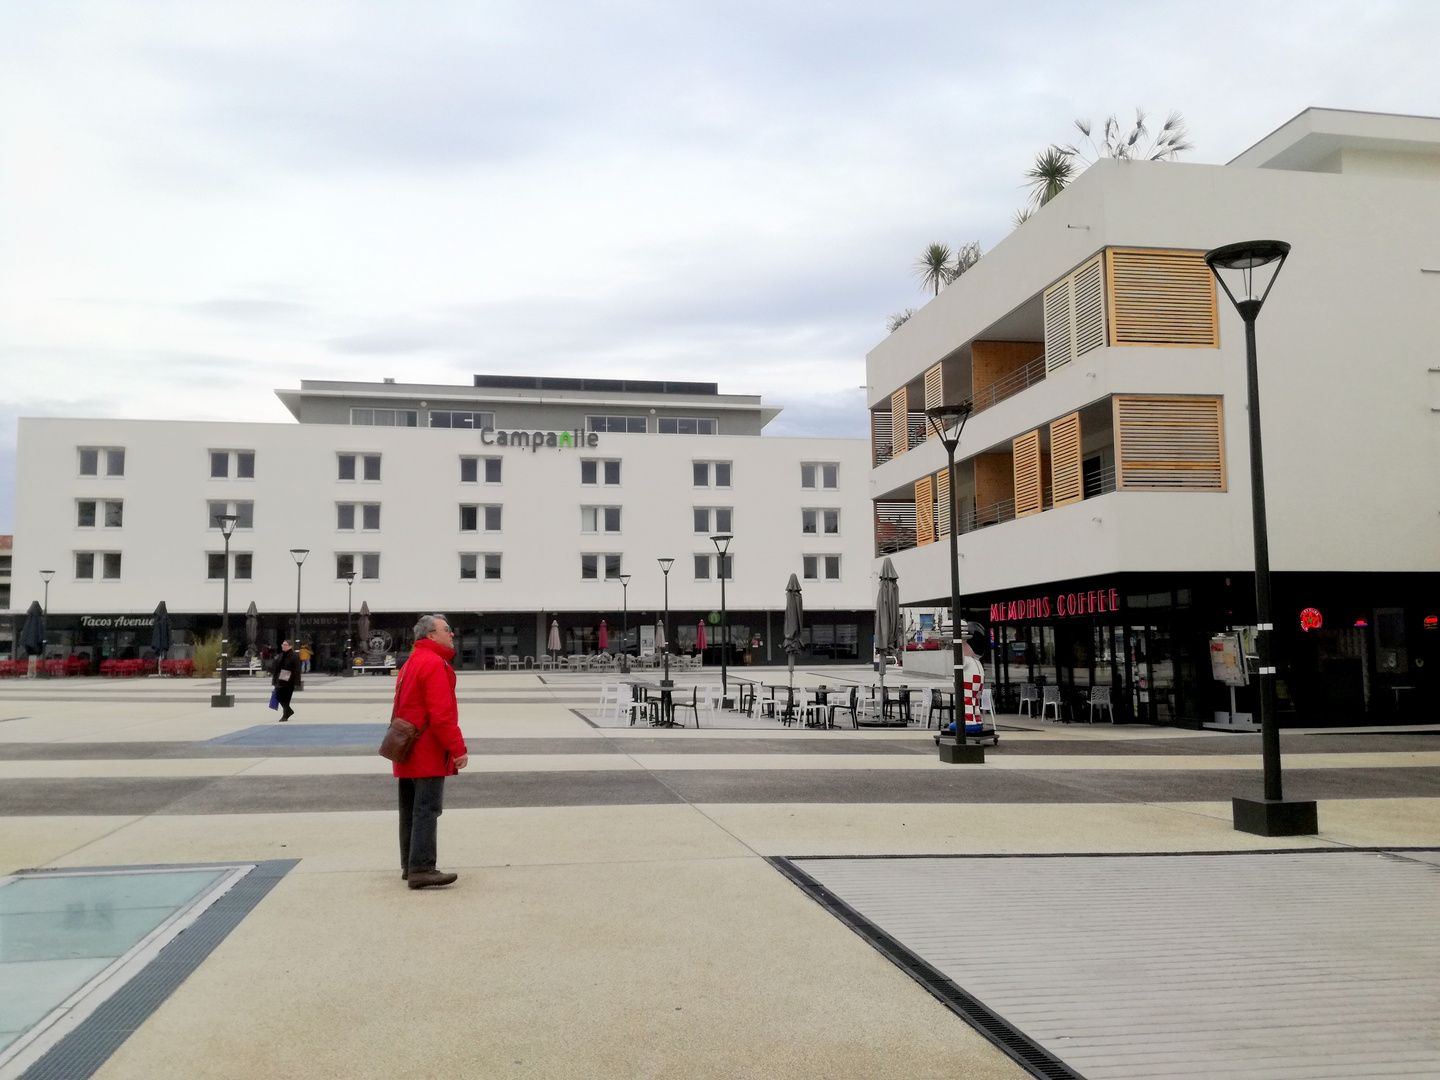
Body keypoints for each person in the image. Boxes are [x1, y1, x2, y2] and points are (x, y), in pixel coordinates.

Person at [393, 614, 468, 889]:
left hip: (407, 747)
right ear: (430, 635)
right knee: (427, 809)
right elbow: (441, 715)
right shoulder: (436, 664)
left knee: (410, 809)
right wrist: (458, 748)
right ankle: (422, 868)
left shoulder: (410, 663)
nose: (452, 634)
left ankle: (409, 864)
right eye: (447, 630)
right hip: (427, 750)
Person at [271, 639, 302, 721]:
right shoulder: (280, 655)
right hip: (280, 679)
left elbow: (297, 670)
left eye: (285, 645)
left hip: (289, 680)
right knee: (279, 696)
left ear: (290, 646)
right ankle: (288, 711)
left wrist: (297, 682)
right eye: (282, 645)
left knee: (286, 698)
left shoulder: (294, 656)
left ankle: (285, 715)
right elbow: (276, 669)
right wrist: (274, 680)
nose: (283, 646)